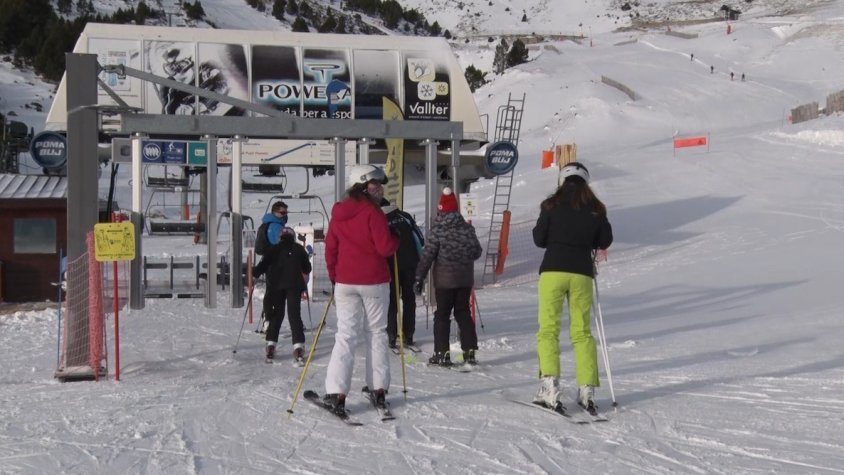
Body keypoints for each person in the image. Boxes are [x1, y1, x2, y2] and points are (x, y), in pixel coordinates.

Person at [531, 162, 613, 414]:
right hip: (582, 274)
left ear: (562, 180)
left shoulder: (551, 205)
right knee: (582, 332)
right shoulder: (596, 209)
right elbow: (605, 240)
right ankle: (586, 389)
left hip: (553, 270)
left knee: (548, 330)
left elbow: (539, 239)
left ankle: (550, 386)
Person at [322, 165, 400, 415]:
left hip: (345, 282)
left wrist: (335, 276)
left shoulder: (338, 213)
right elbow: (386, 248)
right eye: (375, 185)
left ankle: (337, 393)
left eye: (380, 185)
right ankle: (378, 389)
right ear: (362, 187)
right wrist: (395, 237)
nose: (380, 190)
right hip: (373, 281)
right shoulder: (373, 213)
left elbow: (331, 248)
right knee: (376, 332)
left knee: (346, 335)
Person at [414, 187, 483, 366]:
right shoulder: (467, 229)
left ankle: (441, 353)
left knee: (442, 315)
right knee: (463, 313)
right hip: (464, 280)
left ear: (441, 209)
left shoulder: (437, 230)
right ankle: (469, 352)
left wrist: (419, 277)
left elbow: (427, 256)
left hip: (444, 282)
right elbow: (477, 252)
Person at [369, 187, 425, 350]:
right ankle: (408, 335)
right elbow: (420, 239)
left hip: (388, 266)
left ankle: (391, 335)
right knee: (409, 299)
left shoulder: (377, 220)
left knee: (391, 300)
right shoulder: (405, 216)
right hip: (410, 264)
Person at [253, 226, 312, 365]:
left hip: (276, 286)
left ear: (280, 237)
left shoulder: (273, 249)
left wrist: (254, 272)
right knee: (294, 315)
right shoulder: (298, 249)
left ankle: (271, 345)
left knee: (277, 315)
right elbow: (307, 268)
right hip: (294, 286)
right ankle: (298, 347)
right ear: (292, 237)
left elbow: (262, 265)